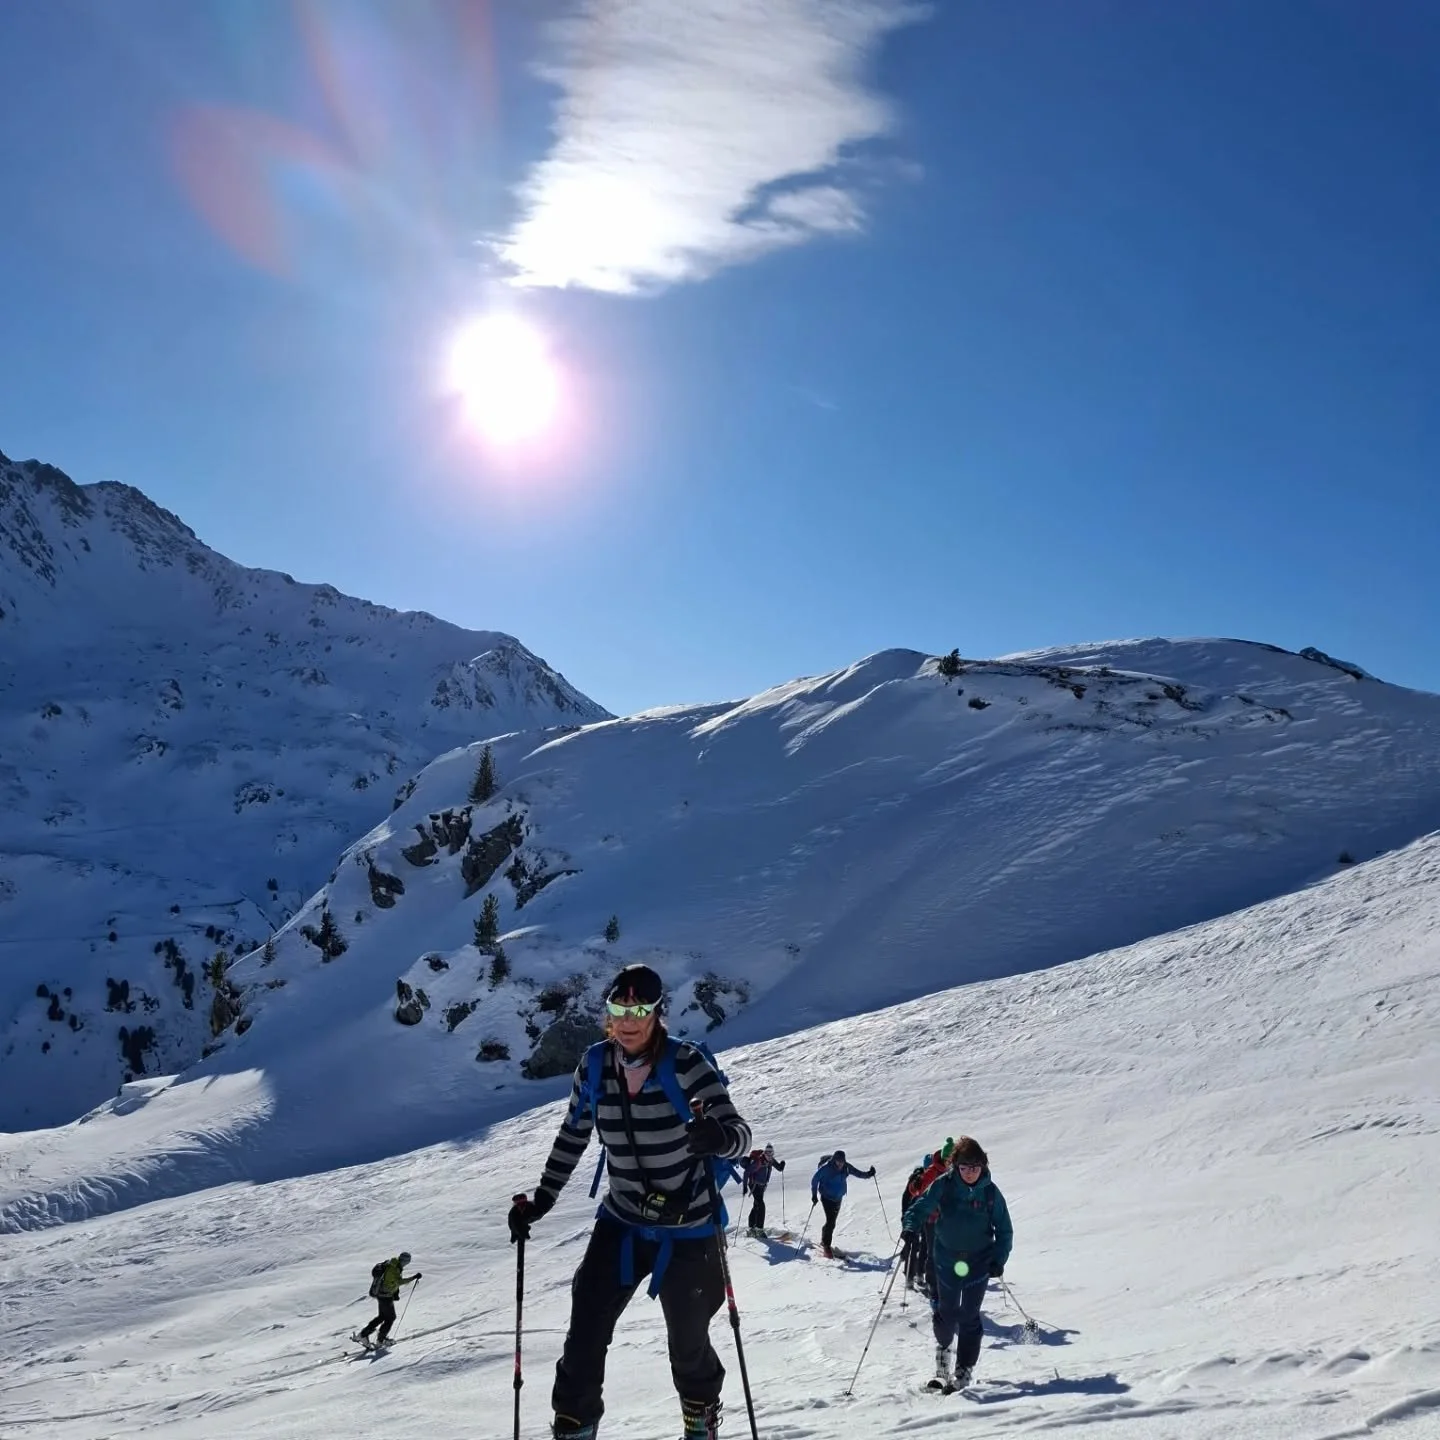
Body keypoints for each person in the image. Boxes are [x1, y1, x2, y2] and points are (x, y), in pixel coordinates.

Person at [507, 964, 752, 1440]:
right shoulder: (596, 1066)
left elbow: (741, 1136)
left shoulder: (686, 1065)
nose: (627, 1020)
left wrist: (719, 1137)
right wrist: (542, 1199)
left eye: (639, 1010)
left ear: (657, 1013)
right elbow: (573, 1134)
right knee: (585, 1334)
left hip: (690, 1230)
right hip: (621, 1222)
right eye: (619, 1009)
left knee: (688, 1343)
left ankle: (700, 1421)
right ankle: (575, 1425)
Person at [900, 1136, 1013, 1390]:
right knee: (946, 1312)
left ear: (983, 1166)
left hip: (978, 1262)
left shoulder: (991, 1193)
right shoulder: (944, 1185)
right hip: (947, 1259)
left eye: (975, 1167)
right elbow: (921, 1206)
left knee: (969, 1315)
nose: (970, 1173)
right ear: (956, 1166)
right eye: (965, 1167)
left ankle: (963, 1370)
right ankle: (943, 1356)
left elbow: (1004, 1230)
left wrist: (998, 1258)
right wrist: (910, 1226)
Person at [809, 1149, 876, 1258]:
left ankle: (824, 1235)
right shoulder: (826, 1168)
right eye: (838, 1161)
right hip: (826, 1198)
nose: (840, 1163)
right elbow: (815, 1180)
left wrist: (869, 1174)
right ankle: (826, 1246)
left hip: (838, 1198)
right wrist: (814, 1195)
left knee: (831, 1222)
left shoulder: (846, 1167)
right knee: (831, 1222)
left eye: (842, 1161)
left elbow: (858, 1173)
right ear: (834, 1160)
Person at [355, 1251, 420, 1349]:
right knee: (390, 1318)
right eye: (406, 1262)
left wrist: (395, 1291)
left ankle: (364, 1335)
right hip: (385, 1296)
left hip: (383, 1295)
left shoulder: (394, 1265)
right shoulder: (393, 1268)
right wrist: (412, 1278)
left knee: (382, 1317)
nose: (405, 1264)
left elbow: (393, 1281)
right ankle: (380, 1340)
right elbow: (394, 1282)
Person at [740, 1144, 786, 1235]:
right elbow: (746, 1172)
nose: (769, 1155)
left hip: (762, 1186)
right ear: (765, 1152)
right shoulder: (758, 1161)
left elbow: (779, 1168)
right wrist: (745, 1187)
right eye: (767, 1153)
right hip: (754, 1185)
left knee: (756, 1205)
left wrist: (782, 1165)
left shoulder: (771, 1160)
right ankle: (759, 1229)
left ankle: (751, 1228)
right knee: (761, 1205)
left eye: (771, 1153)